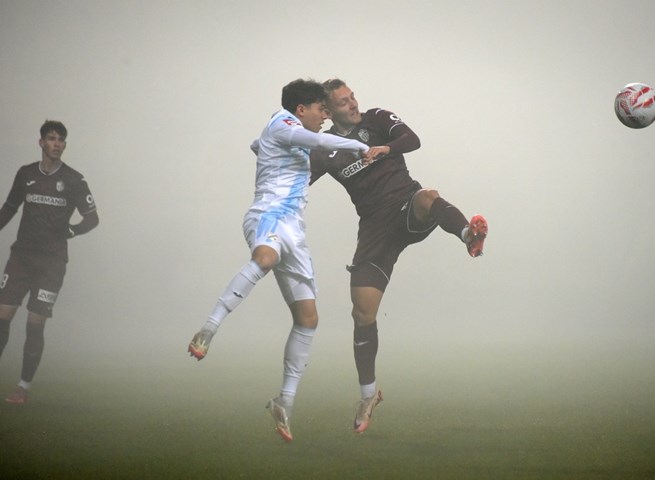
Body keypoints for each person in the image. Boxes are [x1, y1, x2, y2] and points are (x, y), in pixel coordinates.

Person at [187, 79, 369, 442]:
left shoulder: (283, 134)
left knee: (308, 318)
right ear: (300, 110)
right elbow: (317, 140)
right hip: (268, 215)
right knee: (265, 258)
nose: (325, 115)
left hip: (294, 232)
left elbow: (259, 145)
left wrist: (262, 148)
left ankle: (283, 401)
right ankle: (208, 328)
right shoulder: (282, 123)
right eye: (321, 109)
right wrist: (362, 147)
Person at [310, 79, 488, 433]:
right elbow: (299, 180)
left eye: (353, 96)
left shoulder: (376, 119)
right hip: (376, 231)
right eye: (344, 102)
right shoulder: (323, 149)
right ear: (329, 111)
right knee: (362, 312)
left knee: (427, 196)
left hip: (407, 207)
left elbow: (413, 140)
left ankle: (469, 234)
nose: (353, 104)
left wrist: (384, 149)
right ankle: (368, 395)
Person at [0, 120, 99, 404]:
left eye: (61, 140)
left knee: (35, 324)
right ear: (41, 143)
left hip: (52, 264)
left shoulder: (74, 180)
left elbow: (92, 218)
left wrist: (71, 230)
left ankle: (22, 387)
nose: (57, 144)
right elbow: (10, 207)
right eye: (52, 138)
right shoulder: (25, 174)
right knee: (1, 316)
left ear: (64, 145)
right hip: (21, 258)